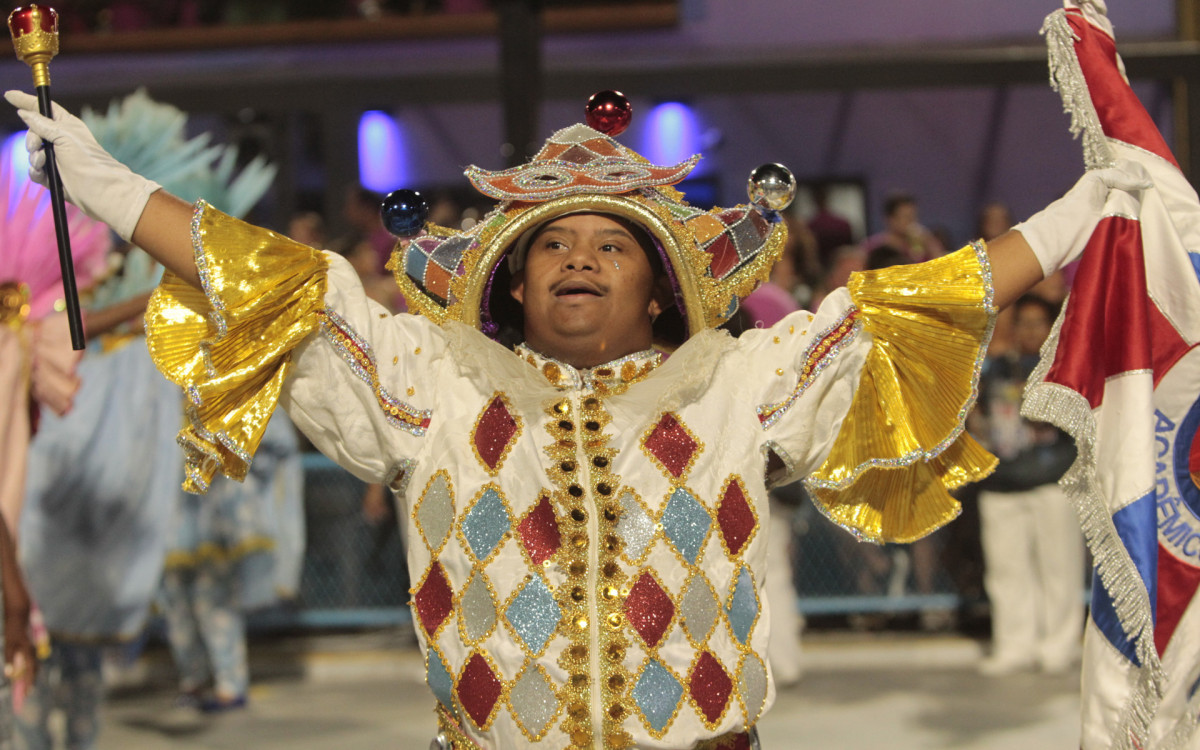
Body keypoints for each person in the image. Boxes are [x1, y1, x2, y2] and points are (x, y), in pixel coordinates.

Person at [6, 73, 1149, 749]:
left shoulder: (739, 384)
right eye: (554, 245)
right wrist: (106, 185)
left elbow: (911, 302)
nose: (580, 260)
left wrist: (1076, 217)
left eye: (612, 246)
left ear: (661, 283)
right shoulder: (435, 383)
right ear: (513, 279)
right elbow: (283, 288)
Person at [972, 294, 1084, 676]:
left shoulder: (1068, 369)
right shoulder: (996, 369)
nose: (1030, 331)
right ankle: (1014, 644)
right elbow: (979, 420)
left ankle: (1059, 645)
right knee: (1006, 570)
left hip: (1052, 482)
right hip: (1001, 481)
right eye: (1023, 323)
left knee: (1059, 568)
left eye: (1038, 323)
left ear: (1053, 327)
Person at [862, 191, 946, 263]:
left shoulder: (921, 248)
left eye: (914, 216)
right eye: (906, 217)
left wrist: (931, 244)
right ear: (890, 219)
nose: (912, 221)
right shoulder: (872, 248)